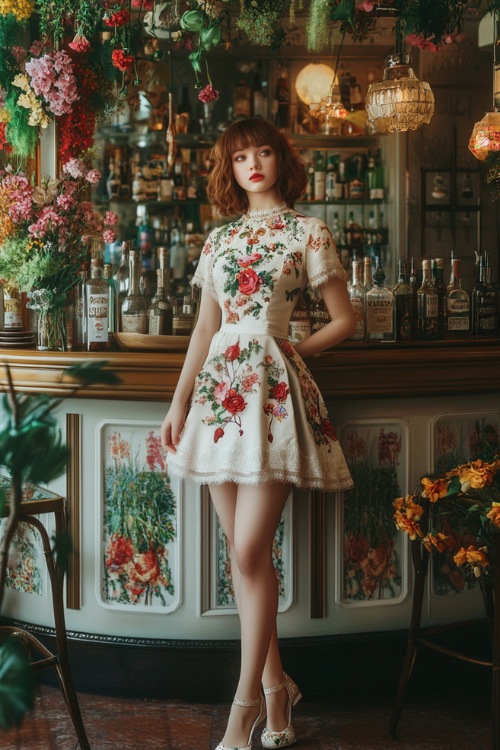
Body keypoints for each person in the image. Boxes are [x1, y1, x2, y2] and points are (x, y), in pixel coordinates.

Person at [161, 117, 355, 750]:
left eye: (263, 151)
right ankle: (277, 692)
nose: (252, 164)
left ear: (280, 160)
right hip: (220, 397)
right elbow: (204, 328)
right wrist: (179, 398)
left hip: (272, 394)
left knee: (247, 553)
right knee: (243, 557)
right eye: (240, 155)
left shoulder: (309, 231)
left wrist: (296, 351)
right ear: (229, 168)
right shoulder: (219, 240)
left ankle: (242, 707)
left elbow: (344, 320)